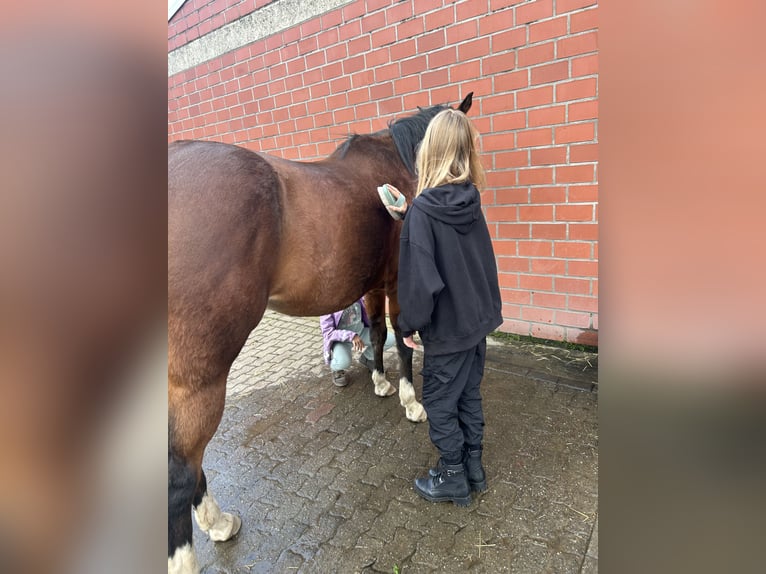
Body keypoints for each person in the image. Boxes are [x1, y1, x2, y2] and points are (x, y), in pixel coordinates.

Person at [382, 108, 502, 506]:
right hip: (475, 325)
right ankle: (475, 468)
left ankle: (451, 475)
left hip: (447, 333)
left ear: (427, 154)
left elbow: (421, 282)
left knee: (437, 401)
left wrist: (409, 325)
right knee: (469, 395)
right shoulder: (470, 201)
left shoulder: (424, 213)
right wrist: (409, 214)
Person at [320, 297, 395, 387]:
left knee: (389, 339)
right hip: (341, 341)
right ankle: (337, 369)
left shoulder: (357, 294)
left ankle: (368, 358)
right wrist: (351, 336)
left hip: (361, 332)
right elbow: (328, 333)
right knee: (344, 362)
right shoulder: (326, 303)